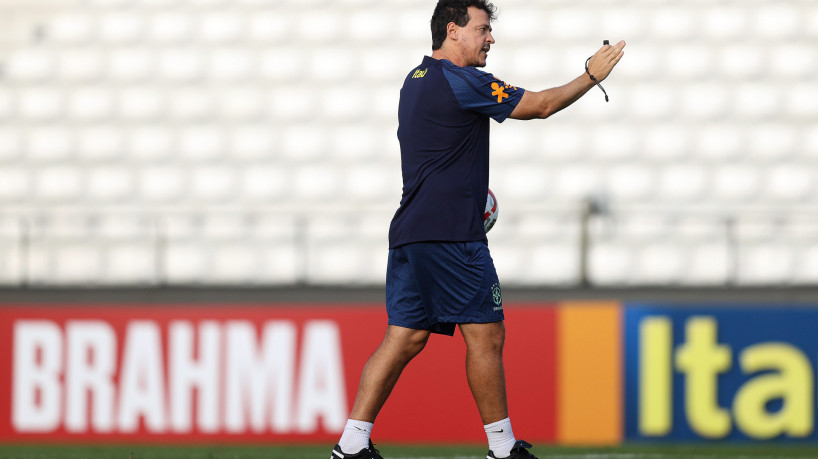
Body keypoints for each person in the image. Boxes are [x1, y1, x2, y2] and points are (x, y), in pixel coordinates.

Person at [330, 1, 625, 458]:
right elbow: (540, 107)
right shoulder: (462, 80)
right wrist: (591, 75)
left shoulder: (415, 79)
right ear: (453, 30)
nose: (491, 38)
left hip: (411, 232)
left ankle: (351, 443)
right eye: (483, 29)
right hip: (452, 235)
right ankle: (503, 448)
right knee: (486, 335)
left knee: (404, 336)